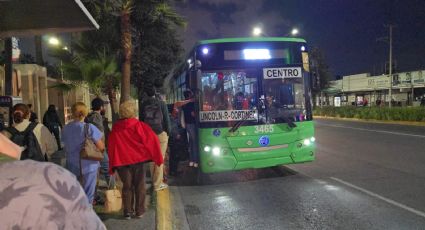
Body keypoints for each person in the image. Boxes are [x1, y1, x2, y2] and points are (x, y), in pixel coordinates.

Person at [0, 133, 106, 229]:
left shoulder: (67, 129)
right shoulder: (51, 178)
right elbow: (53, 147)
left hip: (72, 164)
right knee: (87, 194)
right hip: (86, 165)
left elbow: (62, 142)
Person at [108, 100, 164, 219]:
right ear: (133, 111)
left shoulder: (116, 128)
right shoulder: (139, 125)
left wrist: (112, 166)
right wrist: (158, 158)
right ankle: (139, 211)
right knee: (140, 185)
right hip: (138, 161)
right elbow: (152, 140)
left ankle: (127, 211)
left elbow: (112, 146)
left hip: (122, 162)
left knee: (127, 186)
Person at [61, 102, 105, 205]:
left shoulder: (65, 128)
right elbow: (101, 146)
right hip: (89, 164)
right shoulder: (89, 128)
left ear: (72, 113)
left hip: (72, 164)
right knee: (88, 194)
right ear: (85, 113)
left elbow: (63, 144)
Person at [140, 88, 170, 191]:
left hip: (148, 134)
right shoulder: (161, 103)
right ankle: (157, 184)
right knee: (160, 157)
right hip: (160, 133)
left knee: (152, 158)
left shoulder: (143, 104)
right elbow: (166, 119)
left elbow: (141, 121)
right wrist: (168, 132)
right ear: (155, 93)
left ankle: (154, 182)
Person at [85, 98, 110, 183]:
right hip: (98, 147)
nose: (105, 108)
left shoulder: (90, 116)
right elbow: (99, 134)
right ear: (101, 107)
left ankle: (95, 192)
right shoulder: (96, 117)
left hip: (91, 148)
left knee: (96, 171)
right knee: (108, 168)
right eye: (104, 106)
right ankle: (112, 190)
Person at [181, 90, 199, 167]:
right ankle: (195, 161)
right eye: (191, 94)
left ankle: (191, 160)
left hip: (187, 125)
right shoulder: (191, 104)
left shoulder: (184, 104)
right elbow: (193, 114)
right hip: (192, 124)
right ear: (189, 95)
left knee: (191, 143)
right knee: (194, 143)